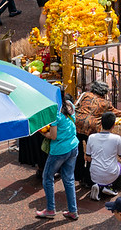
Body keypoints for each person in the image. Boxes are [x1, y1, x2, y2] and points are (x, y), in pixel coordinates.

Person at [36, 89, 79, 220]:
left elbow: (53, 136)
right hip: (73, 146)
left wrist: (41, 132)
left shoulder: (55, 112)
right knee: (69, 179)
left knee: (47, 177)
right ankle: (73, 210)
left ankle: (50, 209)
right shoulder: (69, 104)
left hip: (59, 150)